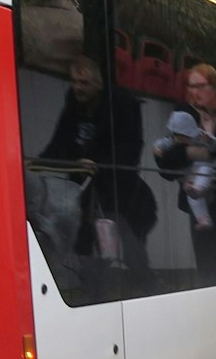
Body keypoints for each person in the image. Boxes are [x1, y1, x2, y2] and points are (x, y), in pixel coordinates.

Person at [39, 55, 153, 262]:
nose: (78, 88)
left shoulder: (121, 106)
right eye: (74, 82)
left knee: (127, 249)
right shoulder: (74, 104)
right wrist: (36, 162)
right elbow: (61, 141)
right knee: (84, 246)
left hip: (119, 193)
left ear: (99, 84)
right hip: (83, 191)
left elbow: (129, 151)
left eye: (84, 83)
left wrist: (97, 164)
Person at [155, 63, 216, 274]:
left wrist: (210, 175)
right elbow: (165, 164)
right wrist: (191, 153)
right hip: (200, 213)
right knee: (207, 275)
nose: (194, 93)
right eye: (190, 87)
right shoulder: (184, 115)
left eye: (200, 86)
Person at [154, 110, 216, 230]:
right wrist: (158, 150)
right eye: (179, 137)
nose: (184, 141)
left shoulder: (198, 136)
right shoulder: (170, 141)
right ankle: (203, 218)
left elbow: (214, 147)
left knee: (204, 171)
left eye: (186, 137)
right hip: (189, 177)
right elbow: (161, 151)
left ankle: (199, 189)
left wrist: (208, 138)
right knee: (192, 197)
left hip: (201, 169)